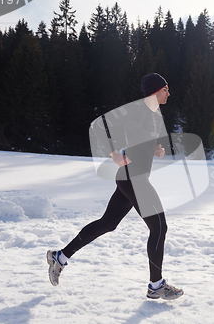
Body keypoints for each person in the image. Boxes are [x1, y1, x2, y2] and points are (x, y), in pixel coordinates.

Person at [47, 73, 183, 300]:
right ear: (154, 91)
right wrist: (113, 153)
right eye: (166, 89)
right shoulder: (137, 110)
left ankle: (59, 257)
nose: (169, 93)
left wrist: (156, 149)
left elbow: (142, 141)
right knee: (159, 227)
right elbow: (99, 125)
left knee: (108, 223)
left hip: (131, 177)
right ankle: (156, 285)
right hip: (133, 178)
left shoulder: (154, 115)